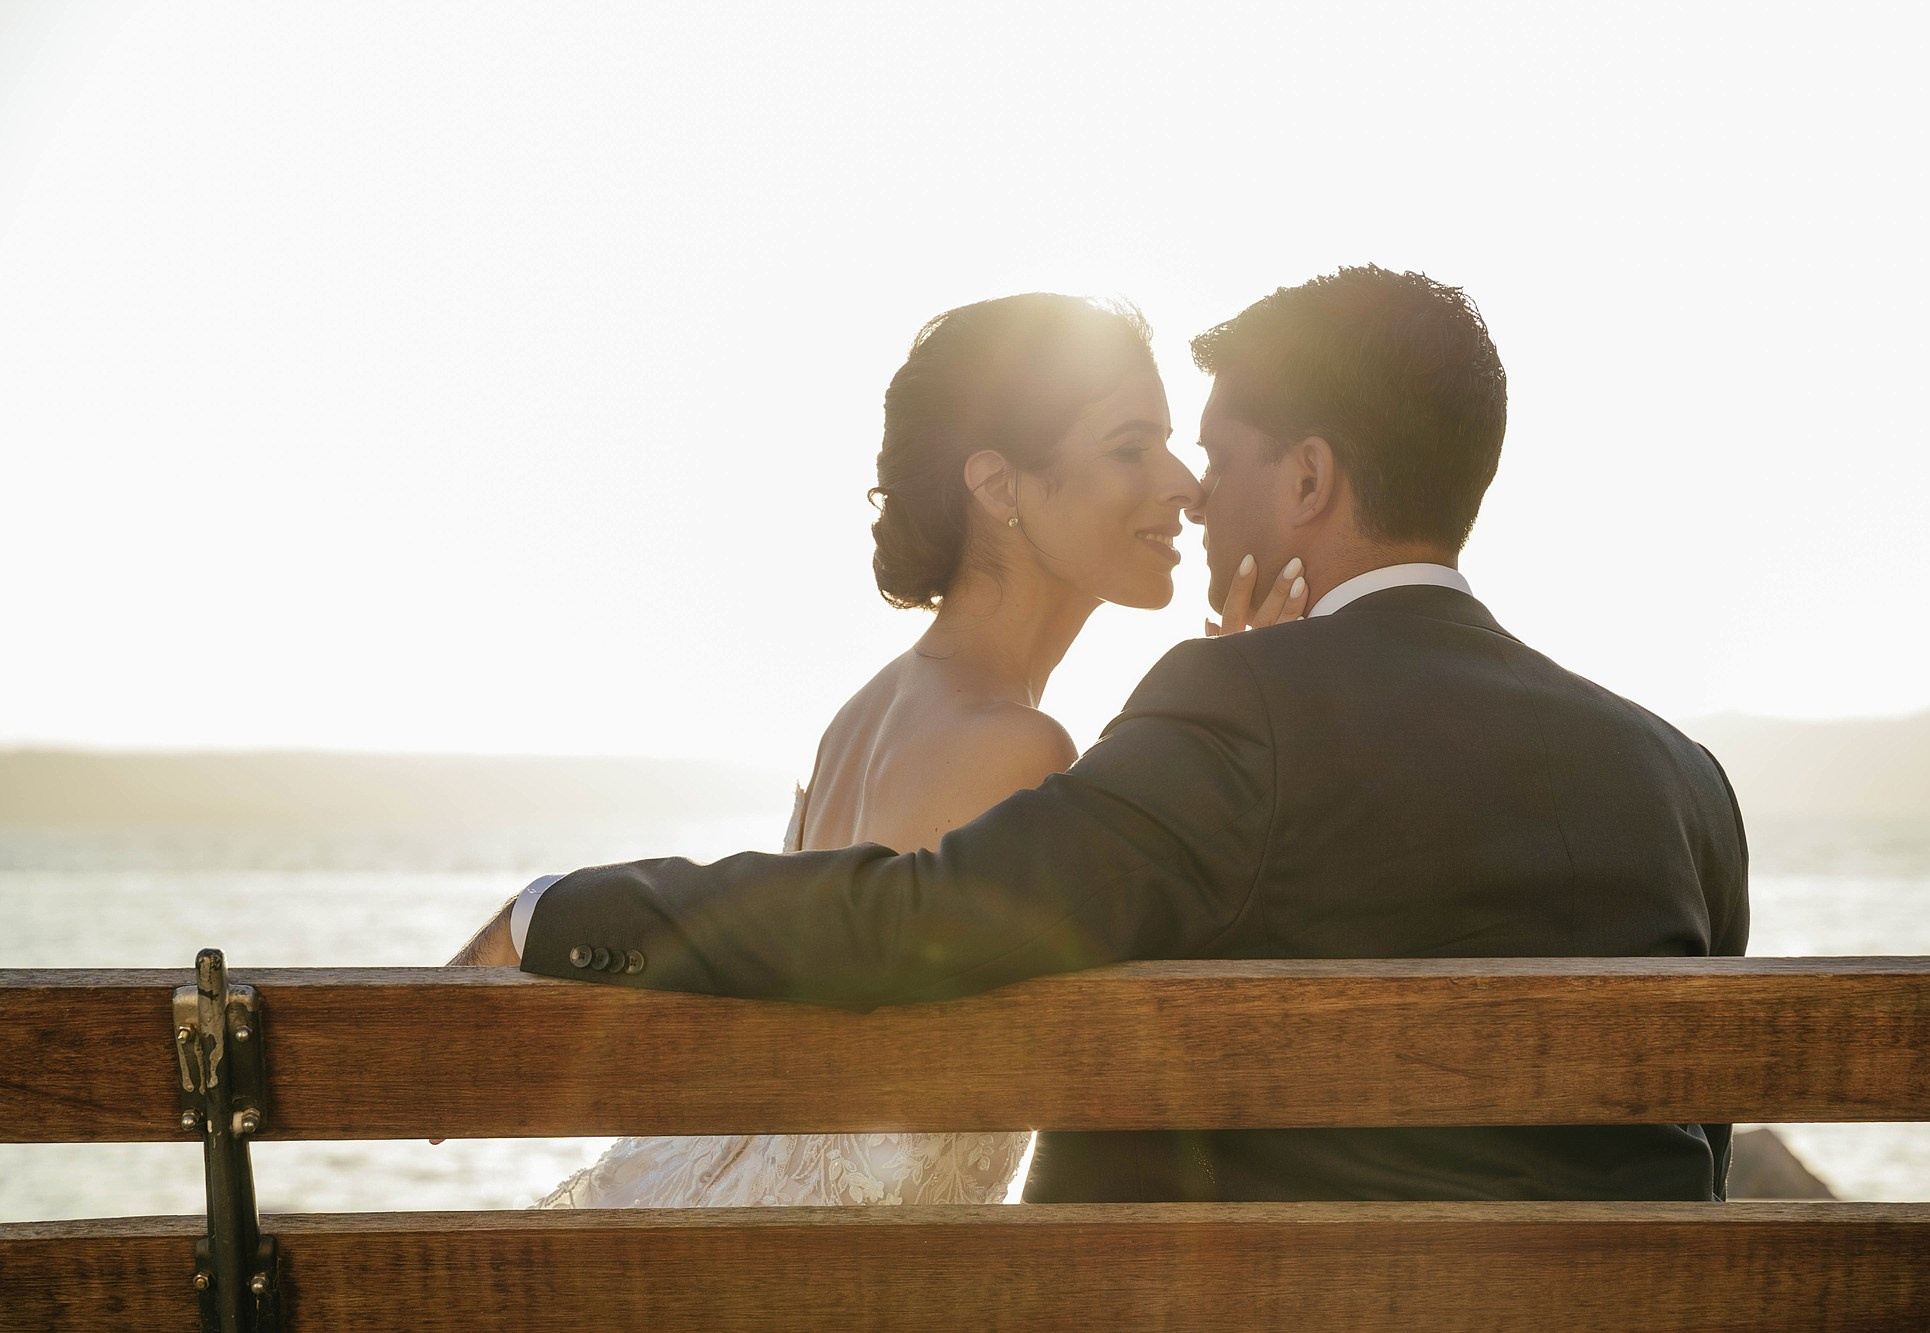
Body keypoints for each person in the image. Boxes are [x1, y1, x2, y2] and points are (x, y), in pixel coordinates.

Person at [456, 266, 1750, 1203]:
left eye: (1221, 455)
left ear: (1306, 482)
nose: (1197, 487)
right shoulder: (1685, 784)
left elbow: (916, 921)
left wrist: (565, 905)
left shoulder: (1235, 717)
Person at [515, 292, 1297, 1208]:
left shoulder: (860, 717)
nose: (1185, 483)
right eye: (1131, 448)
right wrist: (1236, 712)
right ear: (1000, 486)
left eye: (1170, 443)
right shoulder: (1017, 748)